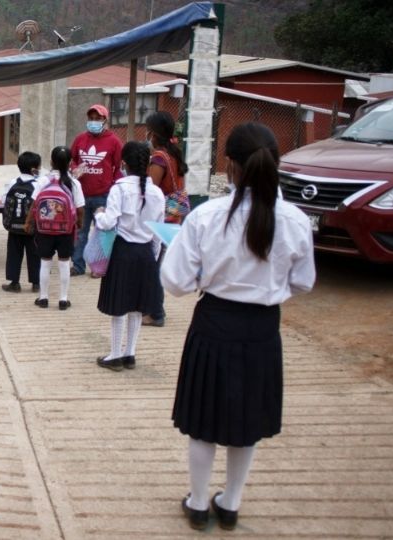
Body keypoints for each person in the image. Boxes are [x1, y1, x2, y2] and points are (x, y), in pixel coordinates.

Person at [161, 123, 315, 531]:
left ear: (229, 165)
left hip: (214, 323)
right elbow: (303, 282)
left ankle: (197, 502)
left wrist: (204, 279)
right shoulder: (296, 220)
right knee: (245, 423)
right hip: (263, 329)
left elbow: (174, 281)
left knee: (203, 422)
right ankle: (230, 503)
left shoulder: (207, 217)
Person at [93, 142, 165, 371]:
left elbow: (110, 221)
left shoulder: (120, 188)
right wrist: (152, 257)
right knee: (136, 305)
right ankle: (130, 354)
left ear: (123, 163)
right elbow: (158, 231)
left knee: (119, 306)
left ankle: (114, 355)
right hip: (145, 252)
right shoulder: (157, 192)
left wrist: (98, 216)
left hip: (123, 251)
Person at [142, 111, 189, 328]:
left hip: (161, 218)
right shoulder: (174, 154)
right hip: (173, 216)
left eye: (148, 130)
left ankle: (155, 312)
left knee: (154, 266)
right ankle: (154, 309)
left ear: (154, 133)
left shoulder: (159, 158)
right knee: (158, 263)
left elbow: (151, 190)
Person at [24, 146, 85, 310]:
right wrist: (79, 224)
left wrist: (28, 222)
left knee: (45, 262)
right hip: (66, 230)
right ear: (71, 163)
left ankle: (43, 297)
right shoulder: (74, 183)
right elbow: (80, 209)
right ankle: (63, 299)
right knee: (65, 263)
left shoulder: (43, 181)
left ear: (51, 162)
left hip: (44, 229)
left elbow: (35, 204)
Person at [69, 103, 124, 277]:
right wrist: (75, 169)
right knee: (80, 232)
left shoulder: (114, 141)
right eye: (91, 119)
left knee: (103, 233)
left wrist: (114, 186)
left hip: (104, 195)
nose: (93, 122)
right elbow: (72, 160)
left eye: (97, 119)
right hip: (82, 196)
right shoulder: (80, 139)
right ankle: (77, 265)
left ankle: (99, 267)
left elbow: (119, 167)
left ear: (105, 120)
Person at [1, 151, 42, 293]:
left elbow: (3, 200)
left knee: (14, 254)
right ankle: (36, 283)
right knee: (35, 254)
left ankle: (14, 282)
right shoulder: (38, 184)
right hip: (32, 227)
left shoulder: (13, 182)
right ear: (35, 168)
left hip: (14, 227)